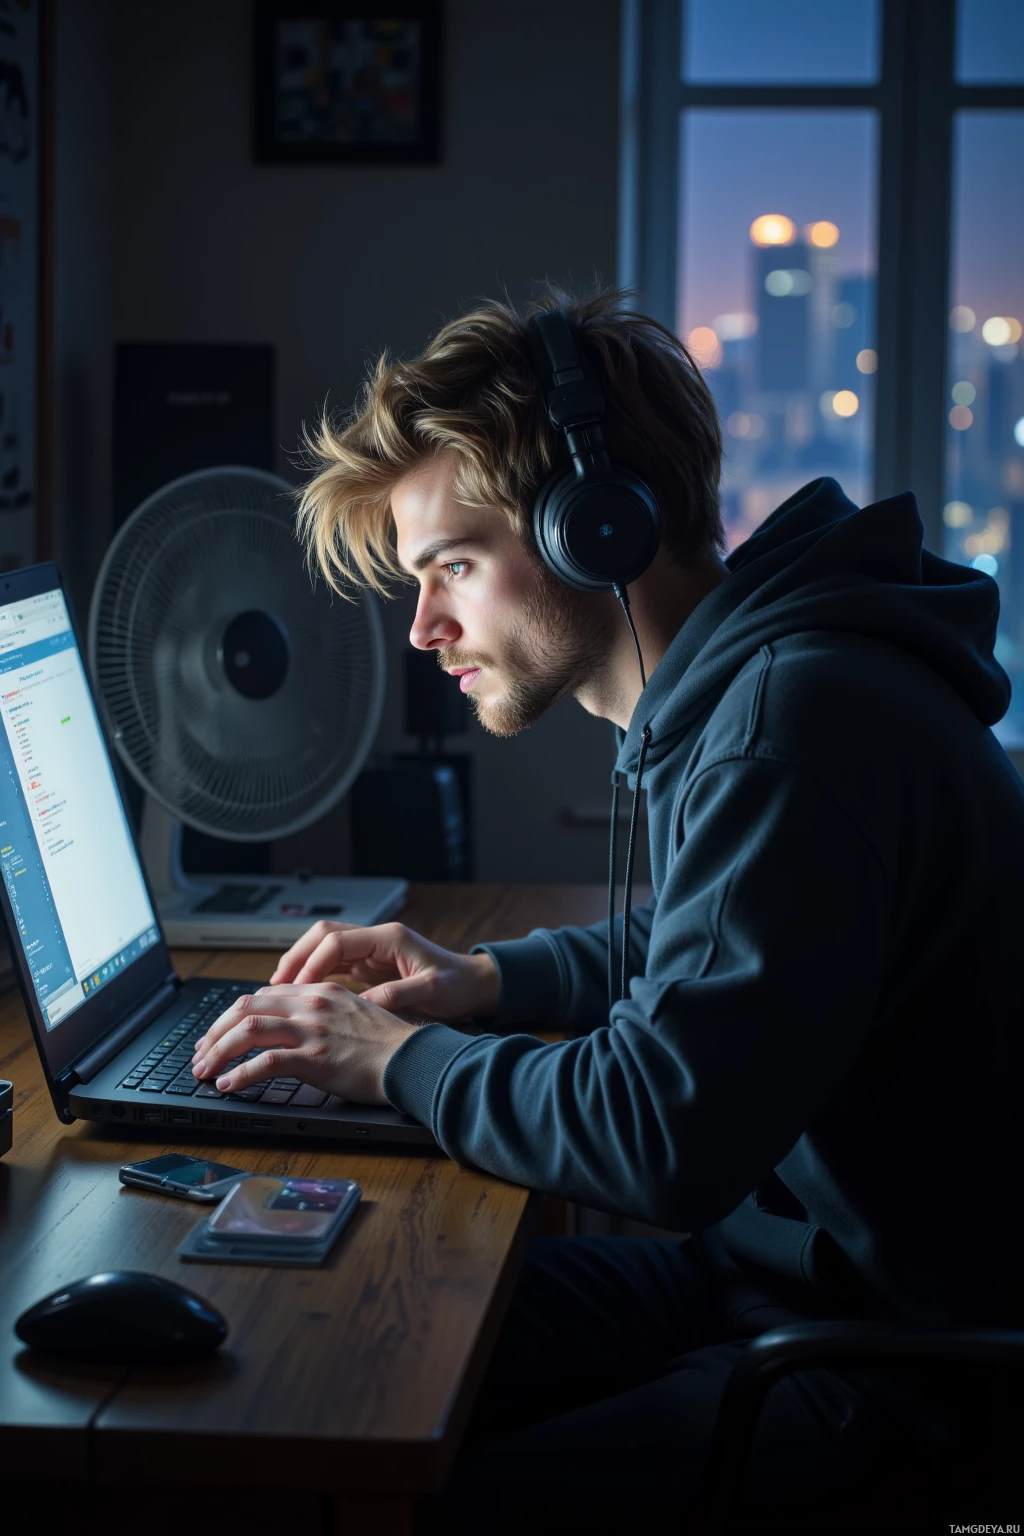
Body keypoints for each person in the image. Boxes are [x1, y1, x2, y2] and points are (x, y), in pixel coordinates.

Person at [191, 290, 1023, 1532]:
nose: (424, 628)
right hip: (773, 1281)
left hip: (898, 1373)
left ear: (598, 529)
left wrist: (397, 1057)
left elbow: (656, 1136)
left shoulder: (786, 732)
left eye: (452, 567)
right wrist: (489, 983)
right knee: (309, 1343)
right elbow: (726, 943)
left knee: (397, 1488)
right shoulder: (770, 685)